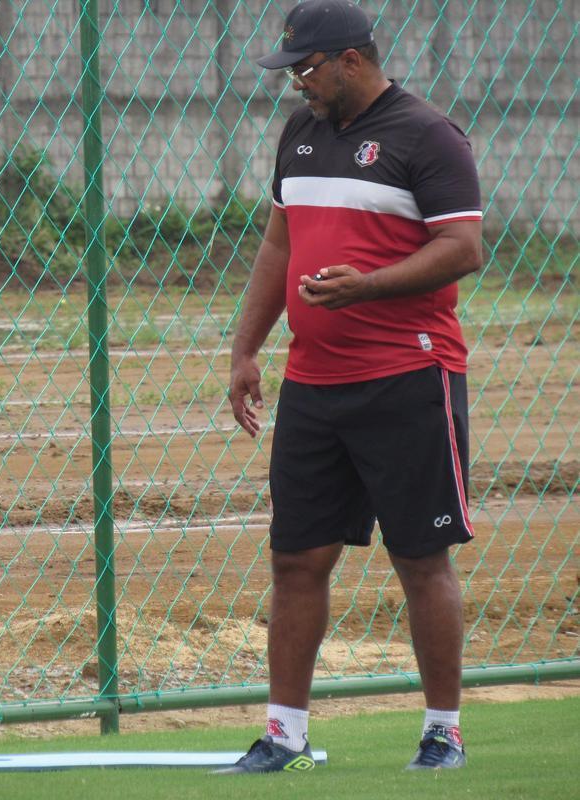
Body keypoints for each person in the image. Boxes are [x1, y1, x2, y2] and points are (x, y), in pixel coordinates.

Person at [220, 0, 483, 773]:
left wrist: (367, 288)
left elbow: (464, 248)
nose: (298, 83)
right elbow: (280, 243)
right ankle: (285, 736)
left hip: (408, 376)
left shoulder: (429, 136)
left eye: (307, 68)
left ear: (353, 61)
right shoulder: (301, 134)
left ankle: (443, 732)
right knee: (296, 561)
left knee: (421, 559)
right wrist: (245, 349)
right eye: (292, 69)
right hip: (314, 382)